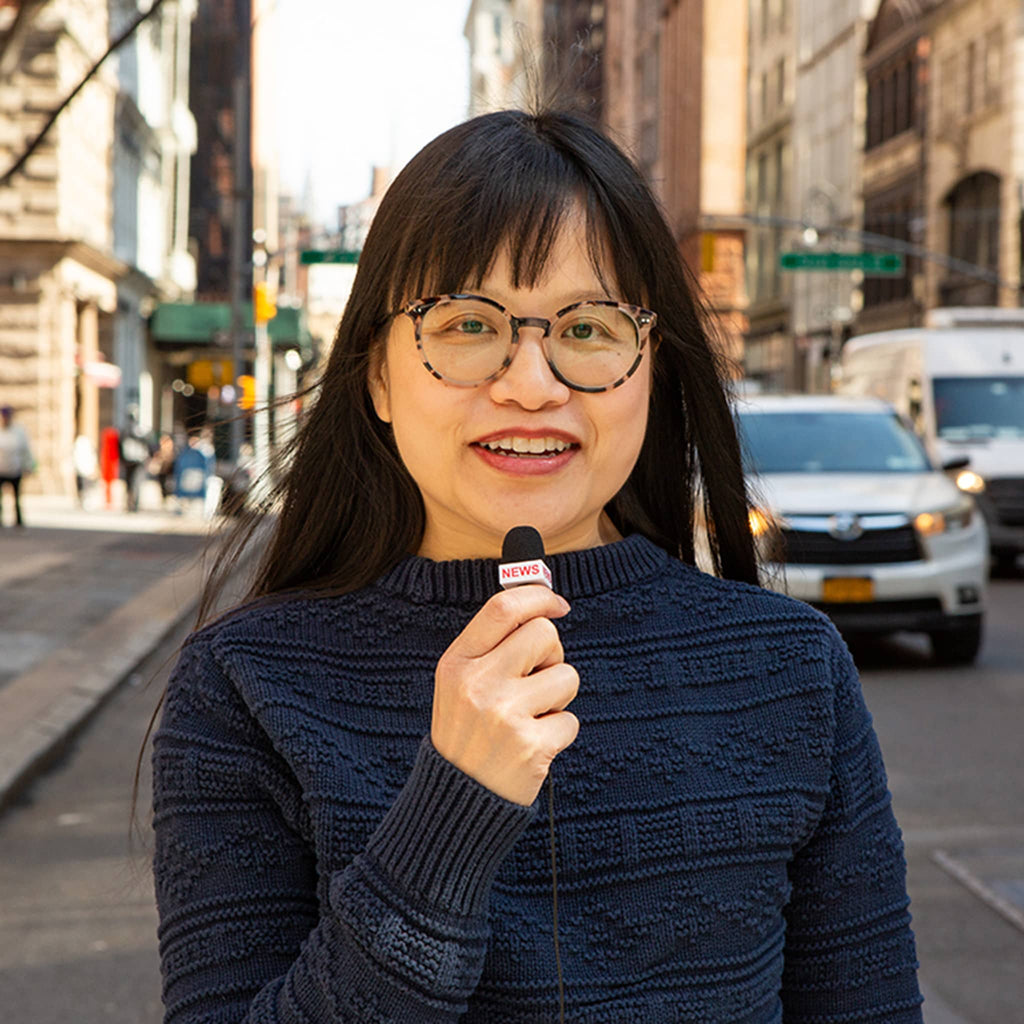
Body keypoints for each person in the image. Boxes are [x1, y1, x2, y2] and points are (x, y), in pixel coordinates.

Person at [150, 110, 924, 1023]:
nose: (531, 383)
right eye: (468, 324)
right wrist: (451, 813)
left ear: (652, 372)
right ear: (379, 377)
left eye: (588, 328)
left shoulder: (793, 669)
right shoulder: (243, 687)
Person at [0, 404, 33, 527]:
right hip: (1, 468)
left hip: (15, 468)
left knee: (17, 497)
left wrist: (29, 465)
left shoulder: (19, 431)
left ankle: (18, 521)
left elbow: (26, 449)